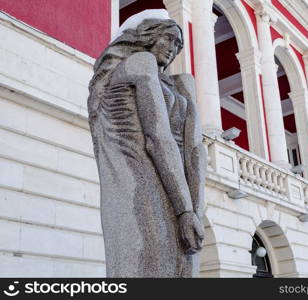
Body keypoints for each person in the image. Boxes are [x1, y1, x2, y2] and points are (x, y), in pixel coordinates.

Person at [88, 10, 206, 277]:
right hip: (140, 175)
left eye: (179, 45)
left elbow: (196, 149)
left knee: (184, 267)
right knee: (152, 260)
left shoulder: (181, 84)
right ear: (148, 35)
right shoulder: (139, 63)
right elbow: (157, 137)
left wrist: (194, 210)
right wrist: (185, 209)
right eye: (169, 39)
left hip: (180, 183)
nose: (173, 49)